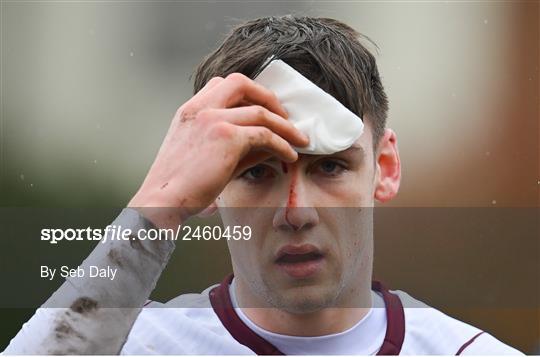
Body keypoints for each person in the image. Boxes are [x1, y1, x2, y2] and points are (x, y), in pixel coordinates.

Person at [3, 15, 523, 355]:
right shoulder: (139, 347)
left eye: (330, 167)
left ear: (384, 168)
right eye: (256, 172)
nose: (295, 210)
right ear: (207, 186)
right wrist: (160, 204)